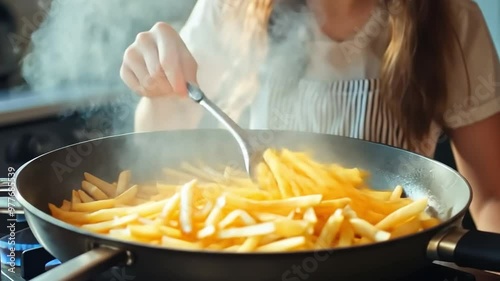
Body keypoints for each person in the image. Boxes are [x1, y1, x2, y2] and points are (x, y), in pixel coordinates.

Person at [120, 0, 500, 233]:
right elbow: (157, 145)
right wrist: (161, 91)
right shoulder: (231, 7)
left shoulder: (452, 18)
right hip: (255, 252)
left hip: (394, 262)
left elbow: (491, 198)